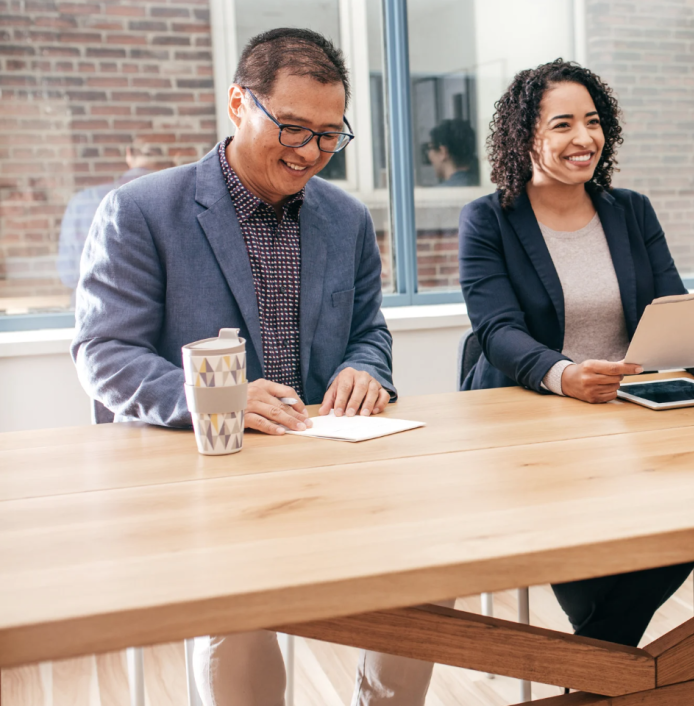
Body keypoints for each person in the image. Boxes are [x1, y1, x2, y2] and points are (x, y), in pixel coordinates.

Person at [71, 28, 449, 706]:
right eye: (293, 128)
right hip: (204, 482)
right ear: (238, 104)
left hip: (328, 473)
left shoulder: (348, 220)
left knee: (435, 572)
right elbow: (105, 354)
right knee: (237, 621)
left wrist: (368, 369)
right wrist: (217, 400)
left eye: (330, 136)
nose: (310, 154)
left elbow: (369, 332)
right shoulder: (141, 211)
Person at [458, 59, 694, 646]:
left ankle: (596, 671)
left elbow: (671, 305)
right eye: (563, 124)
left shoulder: (631, 210)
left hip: (634, 418)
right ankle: (619, 671)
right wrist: (564, 376)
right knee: (586, 547)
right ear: (525, 136)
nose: (584, 138)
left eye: (593, 122)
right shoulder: (487, 220)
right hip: (534, 425)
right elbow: (496, 330)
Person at [57, 139, 174, 290]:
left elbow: (69, 275)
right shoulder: (177, 202)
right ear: (169, 158)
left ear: (129, 154)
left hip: (94, 305)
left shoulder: (83, 201)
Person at [425, 118, 479, 187]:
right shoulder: (483, 186)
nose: (429, 155)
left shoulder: (437, 195)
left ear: (443, 152)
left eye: (430, 148)